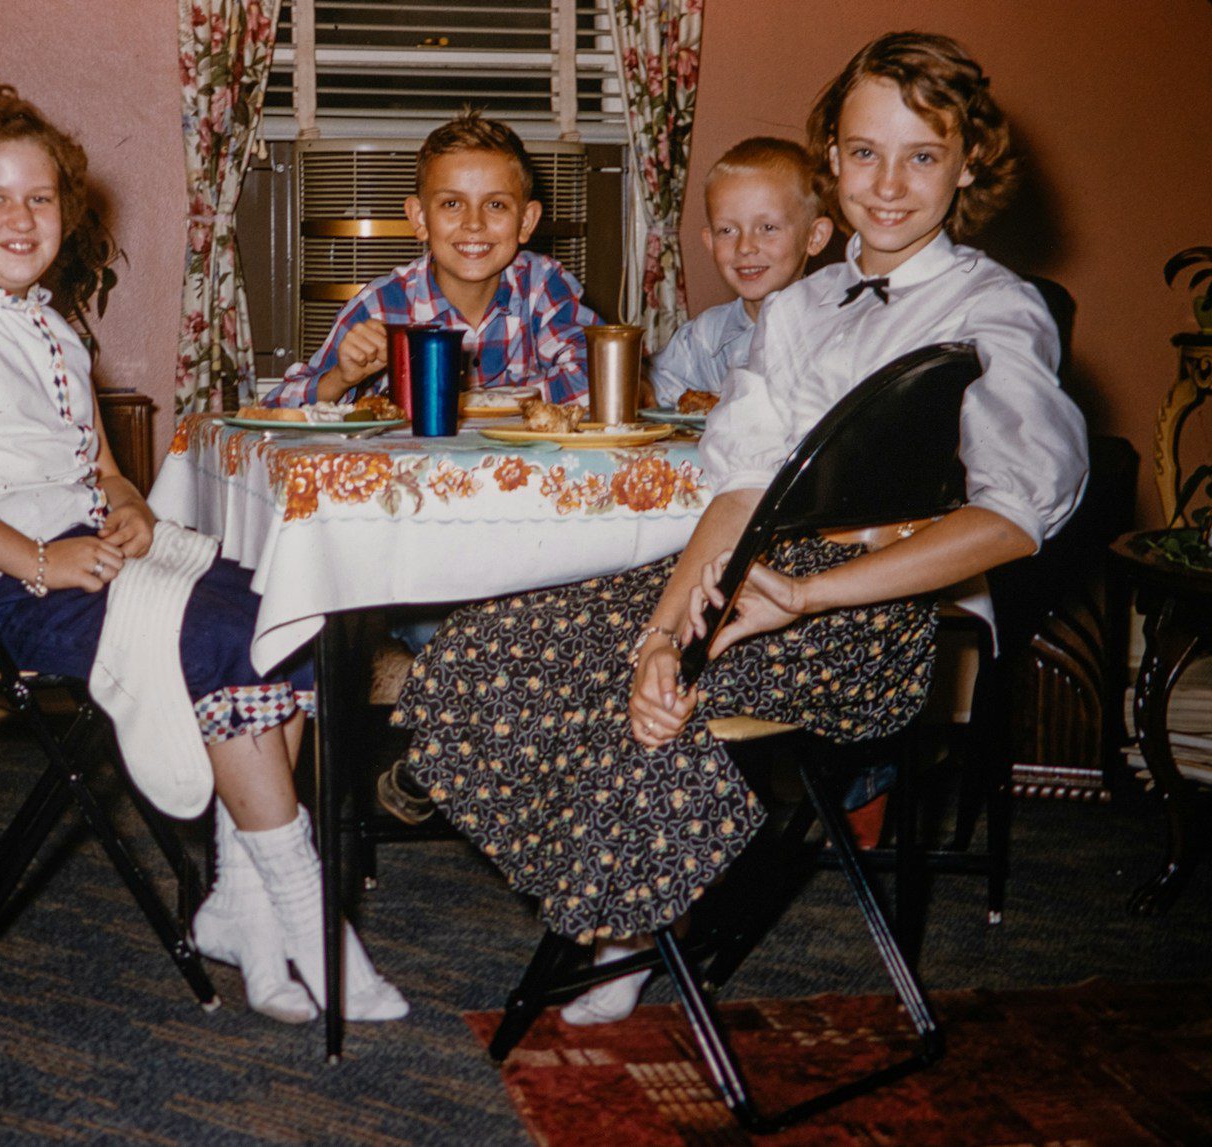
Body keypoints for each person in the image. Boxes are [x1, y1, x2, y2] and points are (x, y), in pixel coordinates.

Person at [390, 31, 1088, 1026]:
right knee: (473, 659)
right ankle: (637, 904)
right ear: (830, 160)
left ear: (968, 162)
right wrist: (664, 633)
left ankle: (630, 917)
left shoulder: (994, 310)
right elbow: (736, 494)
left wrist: (803, 594)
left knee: (651, 713)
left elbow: (1014, 519)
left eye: (921, 155)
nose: (886, 184)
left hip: (871, 614)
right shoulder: (799, 308)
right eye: (861, 153)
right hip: (749, 580)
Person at [0, 75, 406, 1026]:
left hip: (67, 554)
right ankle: (308, 913)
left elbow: (100, 464)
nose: (22, 217)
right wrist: (39, 558)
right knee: (209, 636)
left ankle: (238, 906)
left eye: (41, 197)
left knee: (277, 603)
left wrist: (128, 509)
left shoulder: (50, 320)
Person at [265, 110, 599, 408]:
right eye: (452, 204)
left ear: (525, 221)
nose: (474, 223)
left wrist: (486, 404)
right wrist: (340, 378)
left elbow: (600, 378)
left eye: (495, 204)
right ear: (420, 219)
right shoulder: (382, 306)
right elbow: (274, 408)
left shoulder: (543, 286)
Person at [648, 137, 832, 407]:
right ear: (709, 242)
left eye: (768, 228)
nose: (745, 247)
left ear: (814, 237)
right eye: (727, 231)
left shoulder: (833, 330)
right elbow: (654, 398)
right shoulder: (702, 338)